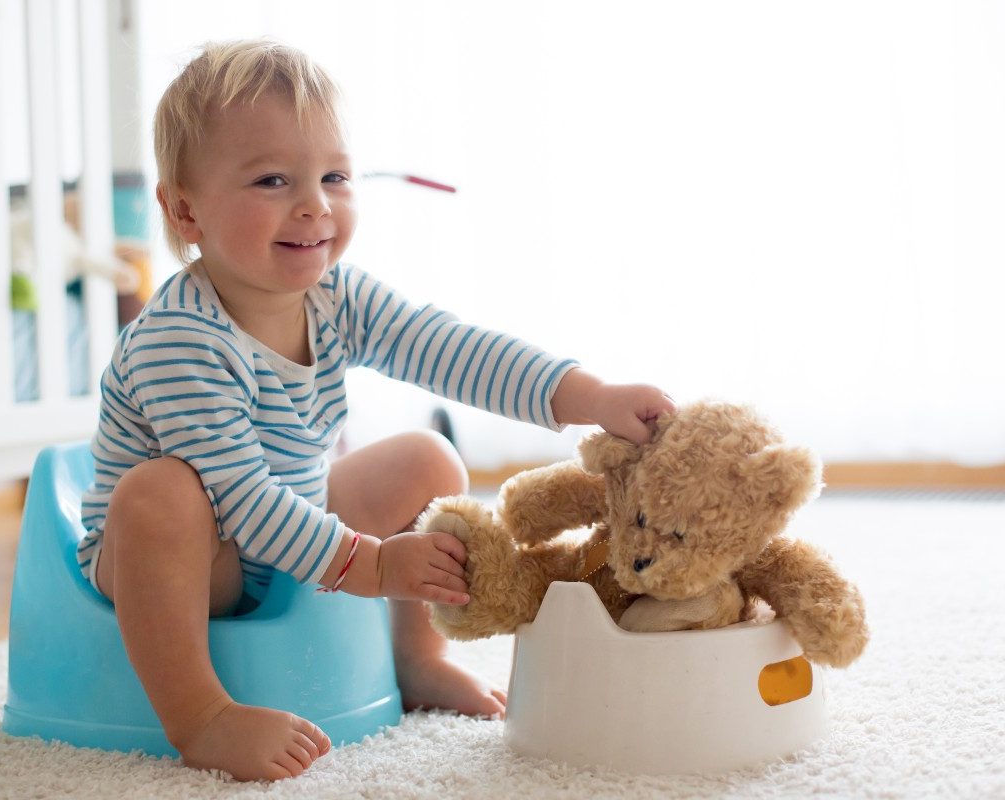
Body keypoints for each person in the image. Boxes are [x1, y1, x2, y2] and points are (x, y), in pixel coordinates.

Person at [77, 39, 676, 782]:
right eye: (271, 180)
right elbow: (240, 498)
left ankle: (415, 655)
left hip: (293, 525)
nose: (313, 205)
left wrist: (588, 397)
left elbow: (454, 349)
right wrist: (374, 564)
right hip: (195, 558)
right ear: (184, 210)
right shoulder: (178, 340)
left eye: (334, 176)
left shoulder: (338, 296)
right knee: (161, 492)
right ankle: (200, 714)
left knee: (429, 458)